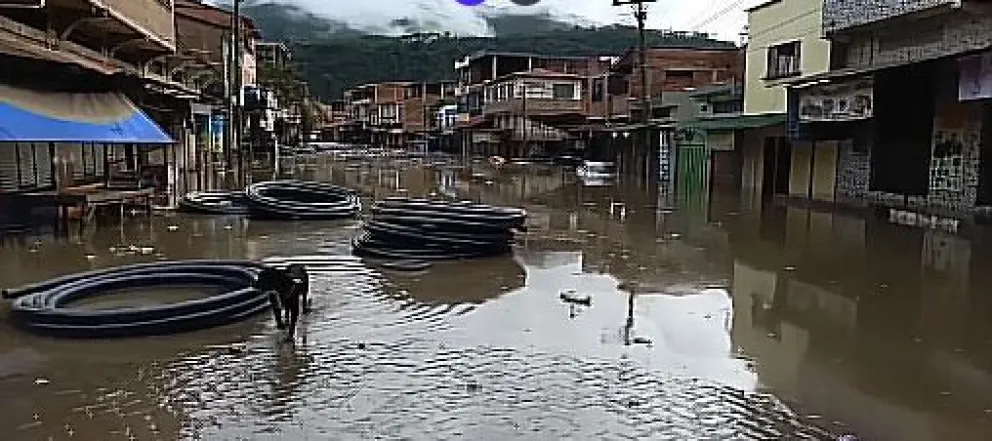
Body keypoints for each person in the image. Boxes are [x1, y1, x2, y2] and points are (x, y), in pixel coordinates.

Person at [254, 264, 310, 340]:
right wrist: (279, 323)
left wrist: (291, 334)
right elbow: (276, 307)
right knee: (281, 306)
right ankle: (281, 323)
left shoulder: (291, 287)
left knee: (296, 309)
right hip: (281, 287)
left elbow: (294, 313)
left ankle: (304, 307)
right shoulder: (273, 292)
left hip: (291, 288)